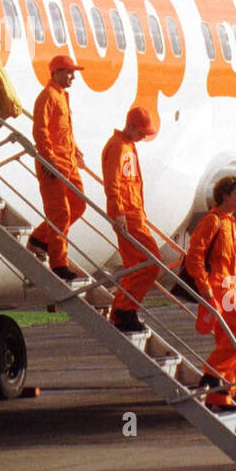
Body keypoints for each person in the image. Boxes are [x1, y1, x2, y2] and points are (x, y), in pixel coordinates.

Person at [185, 176, 236, 412]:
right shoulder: (212, 221)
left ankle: (221, 395)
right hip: (217, 288)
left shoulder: (231, 224)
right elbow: (194, 257)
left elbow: (233, 264)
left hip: (231, 289)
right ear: (224, 195)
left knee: (230, 340)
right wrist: (204, 290)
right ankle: (211, 373)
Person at [28, 55, 87, 282]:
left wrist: (76, 149)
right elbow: (40, 131)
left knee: (79, 205)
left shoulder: (62, 96)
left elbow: (63, 131)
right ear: (56, 73)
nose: (73, 77)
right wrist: (48, 160)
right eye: (69, 72)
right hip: (53, 165)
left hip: (68, 162)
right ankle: (59, 263)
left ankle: (39, 238)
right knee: (59, 214)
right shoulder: (47, 97)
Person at [102, 106, 159, 333]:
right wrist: (119, 213)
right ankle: (125, 309)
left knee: (134, 266)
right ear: (131, 126)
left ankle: (122, 312)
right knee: (152, 261)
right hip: (127, 216)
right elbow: (113, 184)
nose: (144, 136)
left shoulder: (128, 145)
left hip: (134, 214)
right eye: (142, 131)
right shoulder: (118, 146)